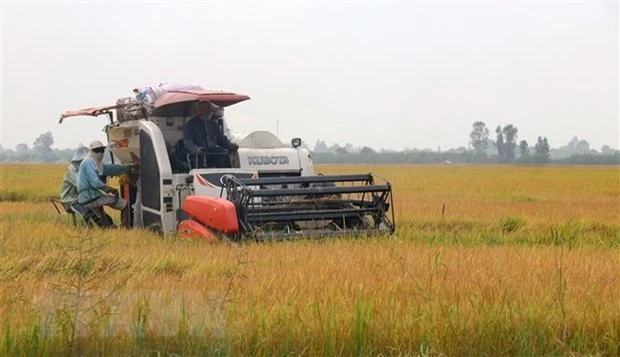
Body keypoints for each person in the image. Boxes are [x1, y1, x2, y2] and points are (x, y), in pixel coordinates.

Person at [77, 140, 136, 227]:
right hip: (91, 197)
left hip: (90, 197)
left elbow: (112, 168)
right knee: (124, 204)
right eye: (97, 150)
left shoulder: (97, 163)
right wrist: (111, 189)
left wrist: (129, 167)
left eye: (102, 150)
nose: (100, 153)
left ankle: (109, 228)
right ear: (91, 151)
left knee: (103, 218)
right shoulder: (88, 162)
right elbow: (95, 182)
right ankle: (125, 226)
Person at [183, 103, 239, 168]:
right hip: (199, 154)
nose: (208, 115)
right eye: (206, 113)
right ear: (200, 114)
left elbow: (221, 139)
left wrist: (230, 146)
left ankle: (224, 171)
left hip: (212, 151)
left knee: (221, 151)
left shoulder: (214, 124)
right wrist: (197, 149)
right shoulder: (191, 124)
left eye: (209, 113)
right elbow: (188, 142)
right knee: (201, 156)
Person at [60, 145, 89, 210]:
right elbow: (79, 184)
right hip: (70, 200)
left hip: (81, 198)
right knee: (88, 215)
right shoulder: (72, 169)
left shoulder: (83, 169)